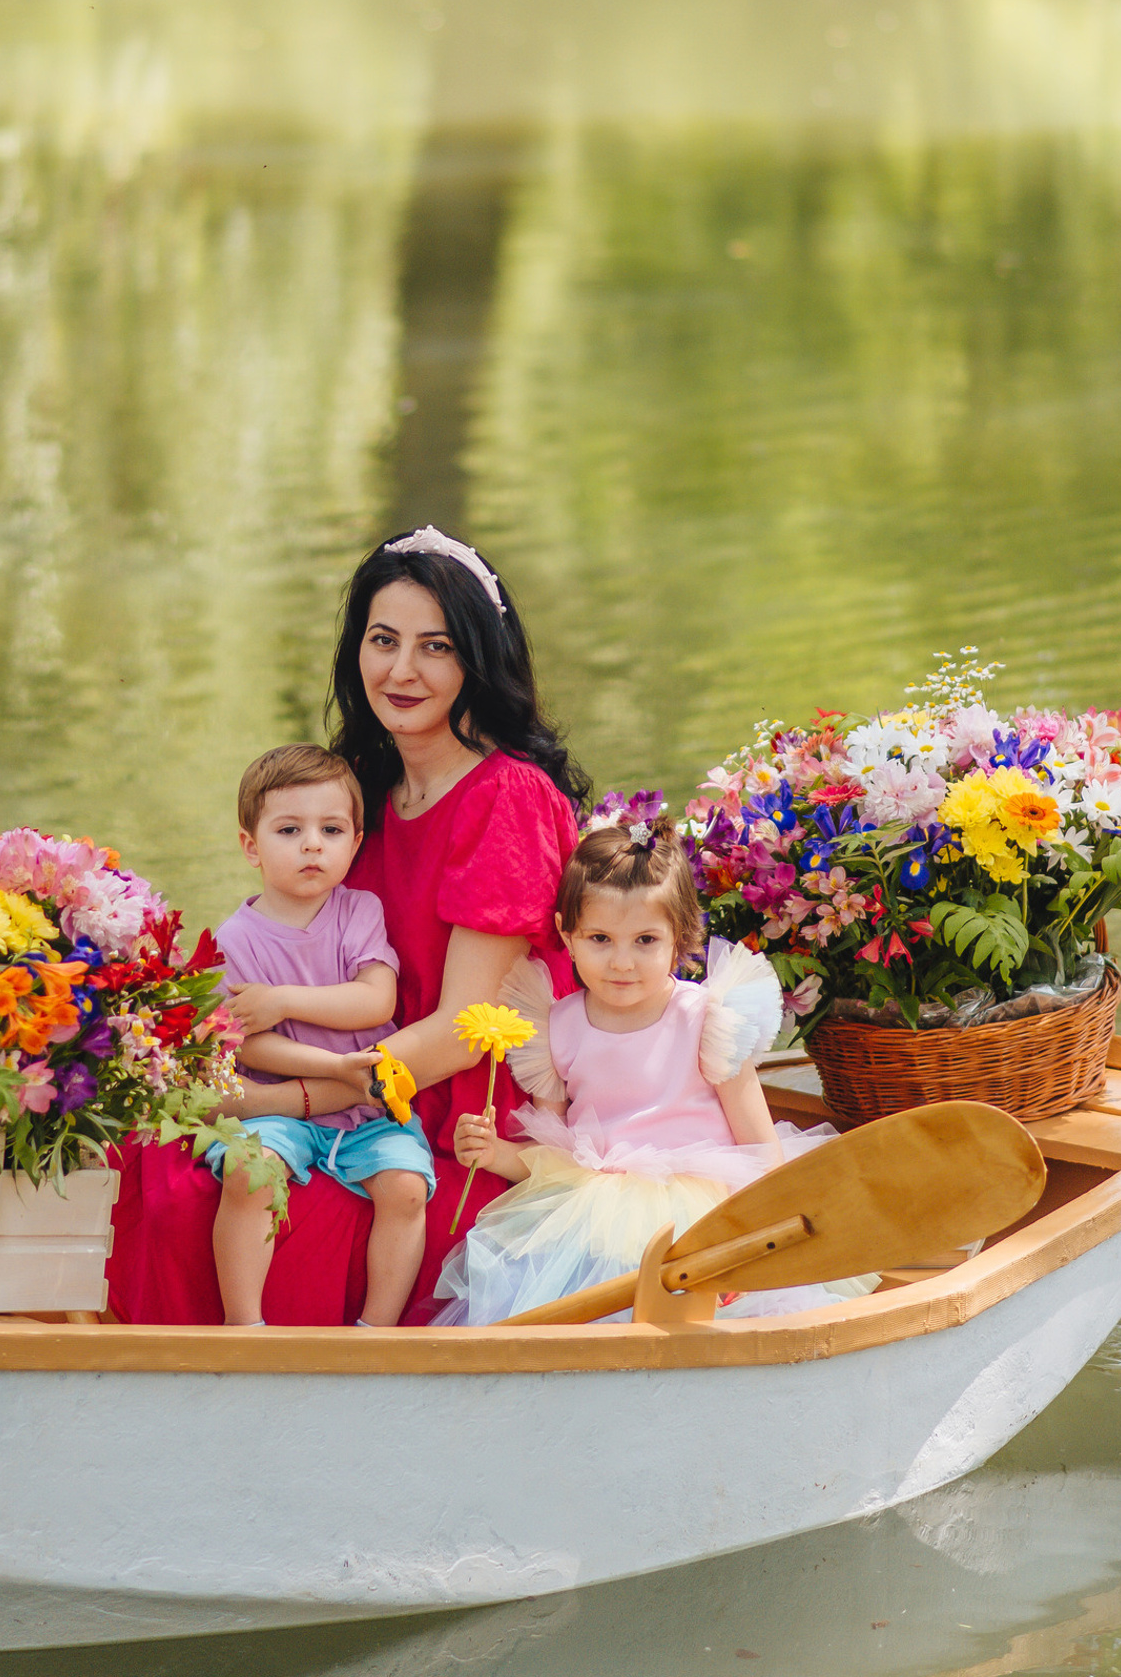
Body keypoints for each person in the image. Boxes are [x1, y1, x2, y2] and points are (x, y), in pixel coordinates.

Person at [103, 524, 587, 1326]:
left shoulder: (508, 797)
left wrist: (297, 1095)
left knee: (222, 1200)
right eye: (382, 640)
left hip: (445, 1109)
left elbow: (467, 1029)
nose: (401, 671)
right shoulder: (358, 790)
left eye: (434, 647)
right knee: (169, 1161)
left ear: (476, 658)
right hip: (343, 1080)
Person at [431, 819, 865, 1325]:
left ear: (678, 937)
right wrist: (496, 1153)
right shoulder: (556, 1026)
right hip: (594, 1215)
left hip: (705, 1210)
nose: (622, 962)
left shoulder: (707, 1018)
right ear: (566, 936)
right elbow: (556, 1154)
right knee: (573, 1313)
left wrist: (752, 1239)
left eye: (644, 940)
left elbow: (760, 1147)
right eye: (599, 938)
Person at [206, 745, 436, 1328]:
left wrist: (282, 1000)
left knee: (407, 1188)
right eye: (290, 829)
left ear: (355, 843)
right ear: (250, 845)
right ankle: (244, 1324)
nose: (313, 844)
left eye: (331, 829)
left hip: (368, 1114)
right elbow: (247, 1046)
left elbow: (375, 1000)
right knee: (247, 1171)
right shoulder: (235, 939)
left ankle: (376, 1330)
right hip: (277, 1105)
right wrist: (332, 1070)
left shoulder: (359, 911)